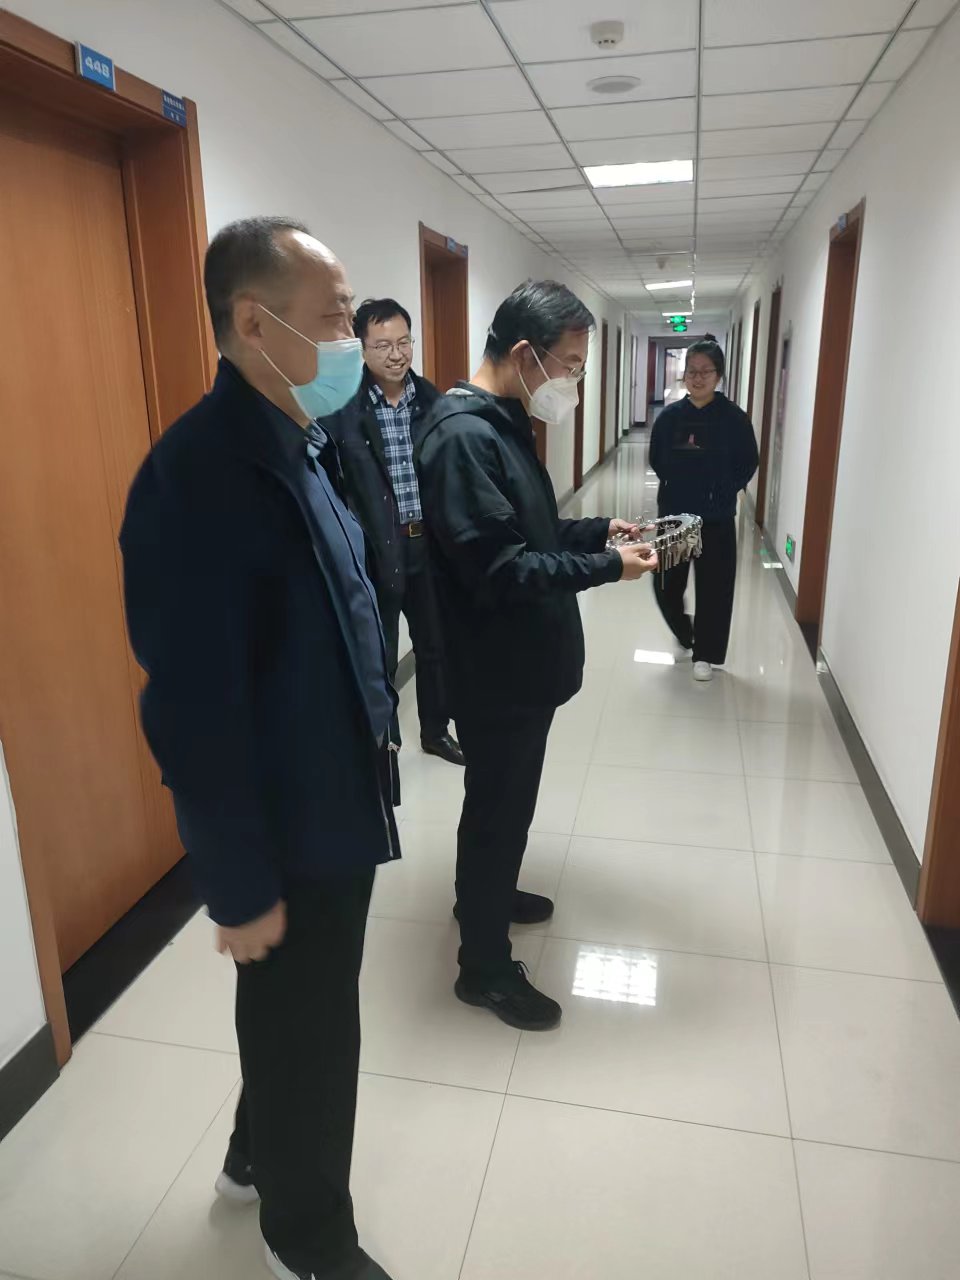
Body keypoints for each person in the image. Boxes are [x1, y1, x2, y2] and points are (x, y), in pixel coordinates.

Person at [120, 217, 398, 1280]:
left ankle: (251, 1153)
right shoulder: (195, 480)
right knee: (314, 1031)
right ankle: (309, 1237)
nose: (353, 341)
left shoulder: (304, 440)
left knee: (294, 1008)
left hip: (337, 791)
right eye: (335, 318)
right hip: (290, 823)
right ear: (254, 322)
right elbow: (193, 715)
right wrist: (235, 887)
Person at [416, 280, 658, 1032]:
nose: (573, 382)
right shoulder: (462, 438)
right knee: (497, 809)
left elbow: (530, 531)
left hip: (521, 667)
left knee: (506, 804)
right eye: (570, 365)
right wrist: (607, 568)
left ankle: (484, 899)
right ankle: (484, 969)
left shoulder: (502, 423)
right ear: (525, 355)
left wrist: (596, 533)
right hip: (497, 672)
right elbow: (501, 570)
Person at [323, 298, 462, 765]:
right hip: (375, 548)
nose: (396, 354)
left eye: (404, 342)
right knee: (379, 649)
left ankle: (435, 731)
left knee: (435, 643)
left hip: (428, 542)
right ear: (362, 349)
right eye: (383, 345)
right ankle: (385, 738)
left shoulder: (434, 402)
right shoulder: (342, 409)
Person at [649, 337, 759, 682]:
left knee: (715, 589)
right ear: (684, 375)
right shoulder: (670, 418)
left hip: (716, 518)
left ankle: (706, 654)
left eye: (705, 371)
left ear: (719, 375)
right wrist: (679, 486)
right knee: (666, 585)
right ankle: (686, 633)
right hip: (676, 516)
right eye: (692, 371)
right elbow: (657, 459)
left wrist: (723, 489)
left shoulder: (734, 419)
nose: (697, 378)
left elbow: (748, 461)